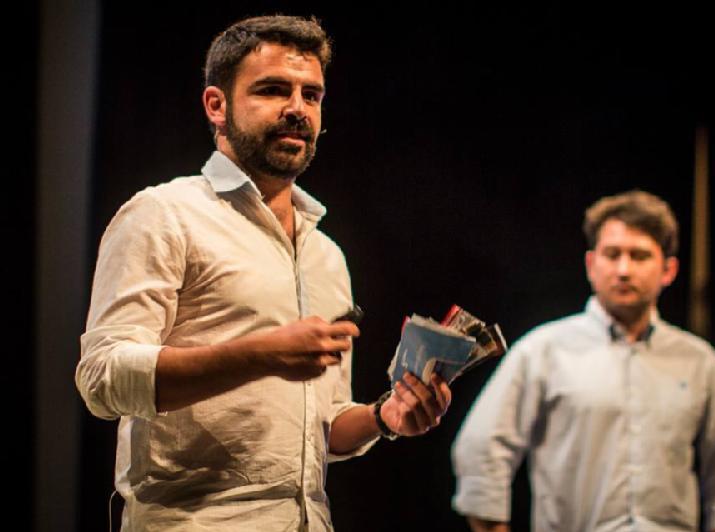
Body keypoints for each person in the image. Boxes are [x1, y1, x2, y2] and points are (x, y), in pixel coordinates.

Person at [76, 15, 451, 531]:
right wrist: (258, 355)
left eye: (311, 95)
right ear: (217, 105)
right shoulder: (163, 214)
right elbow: (103, 379)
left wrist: (383, 419)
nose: (297, 108)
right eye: (273, 90)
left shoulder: (325, 254)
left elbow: (321, 429)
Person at [451, 190, 715, 532]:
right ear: (591, 265)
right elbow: (480, 449)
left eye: (639, 256)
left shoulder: (701, 363)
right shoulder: (543, 351)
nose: (623, 270)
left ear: (668, 270)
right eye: (612, 254)